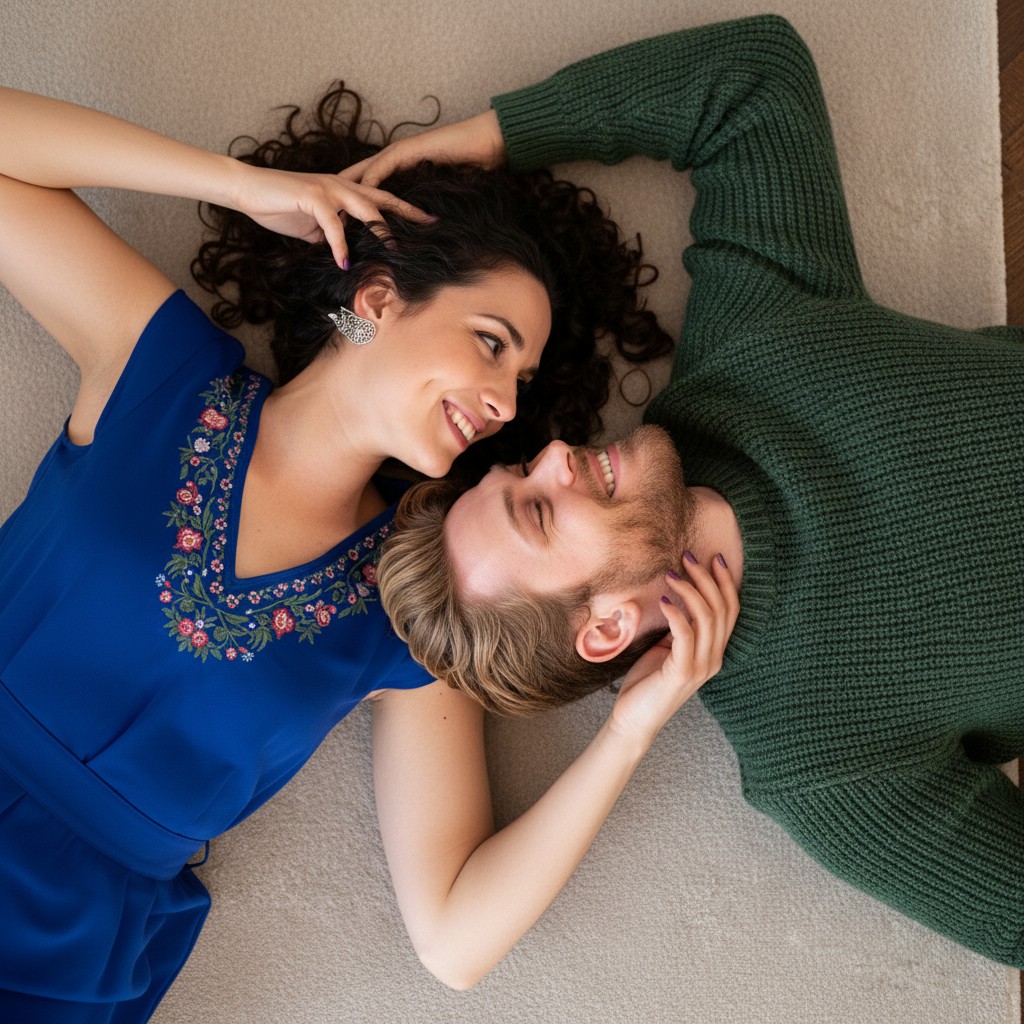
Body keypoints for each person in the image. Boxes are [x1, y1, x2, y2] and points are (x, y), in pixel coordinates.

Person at [0, 79, 738, 1018]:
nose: (505, 404)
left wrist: (631, 730)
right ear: (379, 299)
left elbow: (455, 939)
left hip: (67, 940)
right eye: (492, 343)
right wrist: (234, 184)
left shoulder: (412, 599)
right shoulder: (161, 371)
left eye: (521, 380)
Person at [371, 14, 1024, 967]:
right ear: (604, 631)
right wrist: (629, 734)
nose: (555, 455)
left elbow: (753, 78)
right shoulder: (816, 758)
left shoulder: (748, 343)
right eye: (540, 508)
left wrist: (480, 142)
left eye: (520, 469)